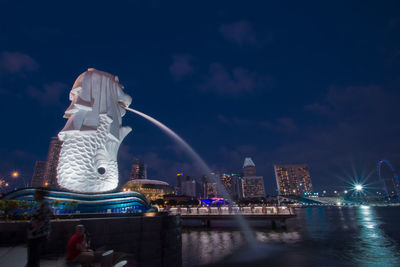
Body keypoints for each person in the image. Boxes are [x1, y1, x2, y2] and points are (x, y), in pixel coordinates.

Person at [26, 188, 52, 267]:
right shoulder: (44, 204)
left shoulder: (44, 204)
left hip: (37, 234)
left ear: (39, 195)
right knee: (34, 254)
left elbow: (42, 219)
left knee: (33, 254)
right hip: (37, 233)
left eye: (35, 194)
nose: (34, 195)